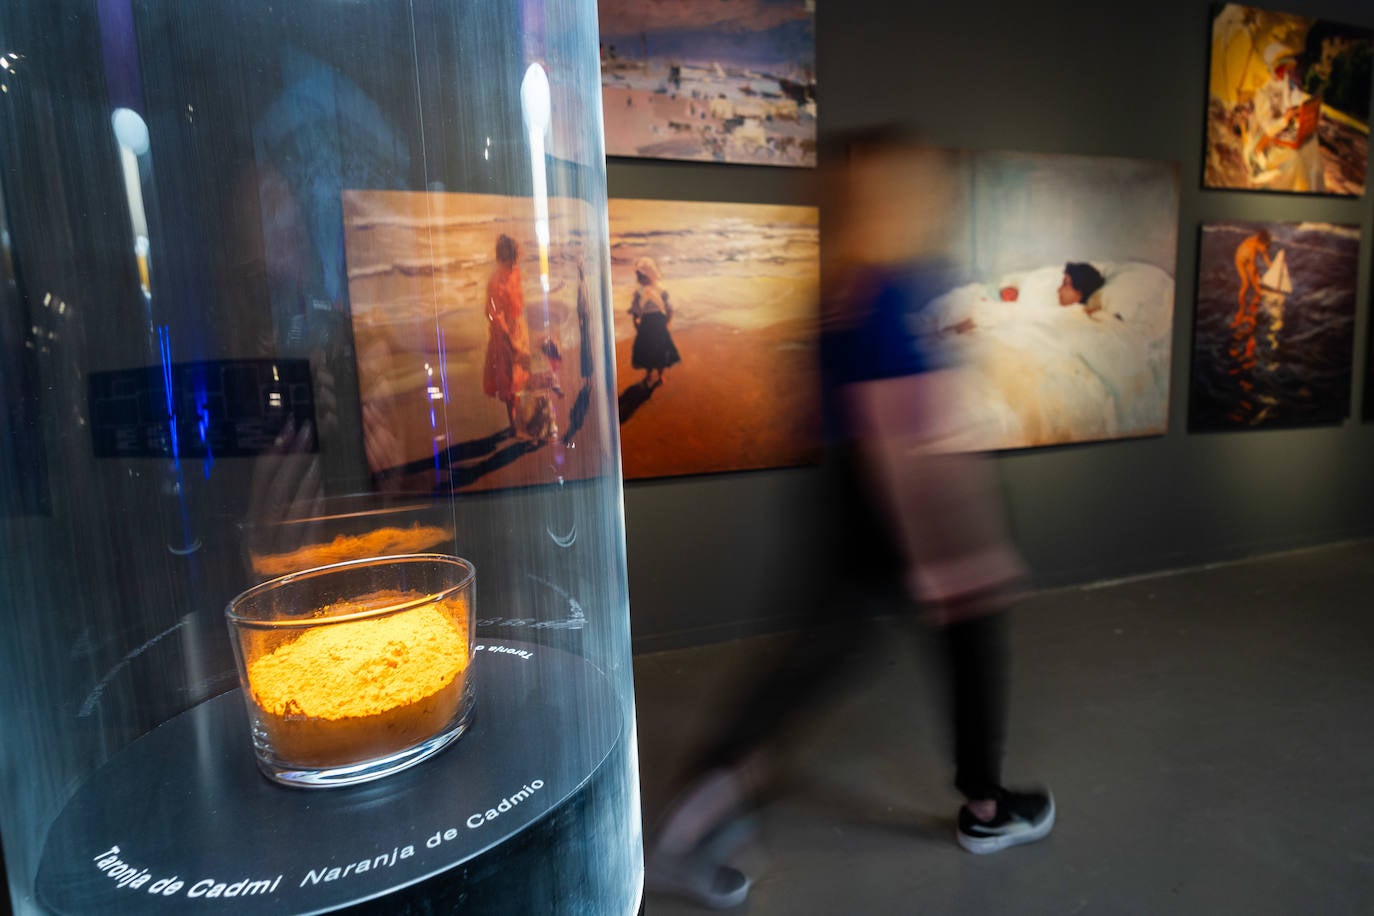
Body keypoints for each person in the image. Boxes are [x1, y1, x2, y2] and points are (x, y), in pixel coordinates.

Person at [645, 130, 1053, 910]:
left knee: (835, 659)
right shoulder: (885, 292)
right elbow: (906, 436)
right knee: (904, 651)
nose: (938, 202)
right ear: (895, 199)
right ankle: (985, 808)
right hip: (899, 504)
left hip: (858, 499)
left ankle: (984, 803)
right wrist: (960, 553)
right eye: (925, 189)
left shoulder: (846, 288)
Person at [482, 233, 532, 437]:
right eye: (514, 258)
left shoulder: (515, 272)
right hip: (504, 335)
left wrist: (519, 330)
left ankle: (519, 420)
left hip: (517, 327)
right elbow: (493, 314)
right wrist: (511, 341)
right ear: (505, 258)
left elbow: (518, 302)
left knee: (520, 376)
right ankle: (514, 425)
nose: (517, 262)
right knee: (508, 379)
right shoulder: (496, 282)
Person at [628, 256, 680, 388]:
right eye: (638, 275)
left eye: (641, 275)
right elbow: (636, 311)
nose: (639, 278)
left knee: (661, 350)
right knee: (647, 351)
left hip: (659, 324)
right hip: (646, 324)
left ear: (649, 275)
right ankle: (648, 374)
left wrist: (667, 323)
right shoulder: (638, 293)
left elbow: (669, 309)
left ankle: (660, 374)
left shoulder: (661, 290)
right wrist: (637, 325)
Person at [1231, 229, 1272, 329]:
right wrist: (1257, 276)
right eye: (1264, 248)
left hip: (1248, 259)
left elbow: (1265, 257)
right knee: (1246, 283)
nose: (1265, 250)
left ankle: (1257, 299)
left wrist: (1272, 267)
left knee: (1256, 283)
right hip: (1240, 260)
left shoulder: (1261, 243)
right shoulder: (1252, 249)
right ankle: (1241, 304)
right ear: (1260, 244)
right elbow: (1252, 267)